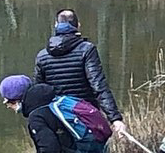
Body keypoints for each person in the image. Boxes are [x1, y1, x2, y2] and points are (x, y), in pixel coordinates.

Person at [34, 9, 126, 137]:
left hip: (58, 120)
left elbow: (38, 94)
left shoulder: (42, 56)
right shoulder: (87, 50)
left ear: (56, 25)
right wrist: (115, 118)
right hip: (86, 118)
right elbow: (98, 86)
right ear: (78, 26)